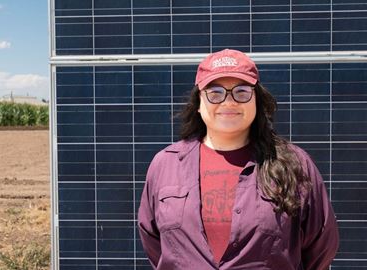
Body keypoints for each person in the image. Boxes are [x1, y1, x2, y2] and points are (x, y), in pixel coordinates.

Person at [137, 49, 339, 269]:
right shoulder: (165, 165)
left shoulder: (295, 165)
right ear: (198, 102)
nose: (229, 102)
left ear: (257, 100)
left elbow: (320, 248)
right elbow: (155, 244)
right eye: (215, 92)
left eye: (241, 92)